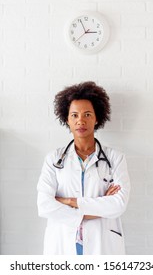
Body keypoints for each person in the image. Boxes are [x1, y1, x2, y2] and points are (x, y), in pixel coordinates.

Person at [37, 81, 130, 255]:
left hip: (103, 246)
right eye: (74, 115)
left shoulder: (115, 159)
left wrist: (68, 201)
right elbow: (44, 205)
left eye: (87, 114)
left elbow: (118, 204)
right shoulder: (53, 159)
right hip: (62, 245)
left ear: (96, 118)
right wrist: (100, 206)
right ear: (67, 119)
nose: (81, 120)